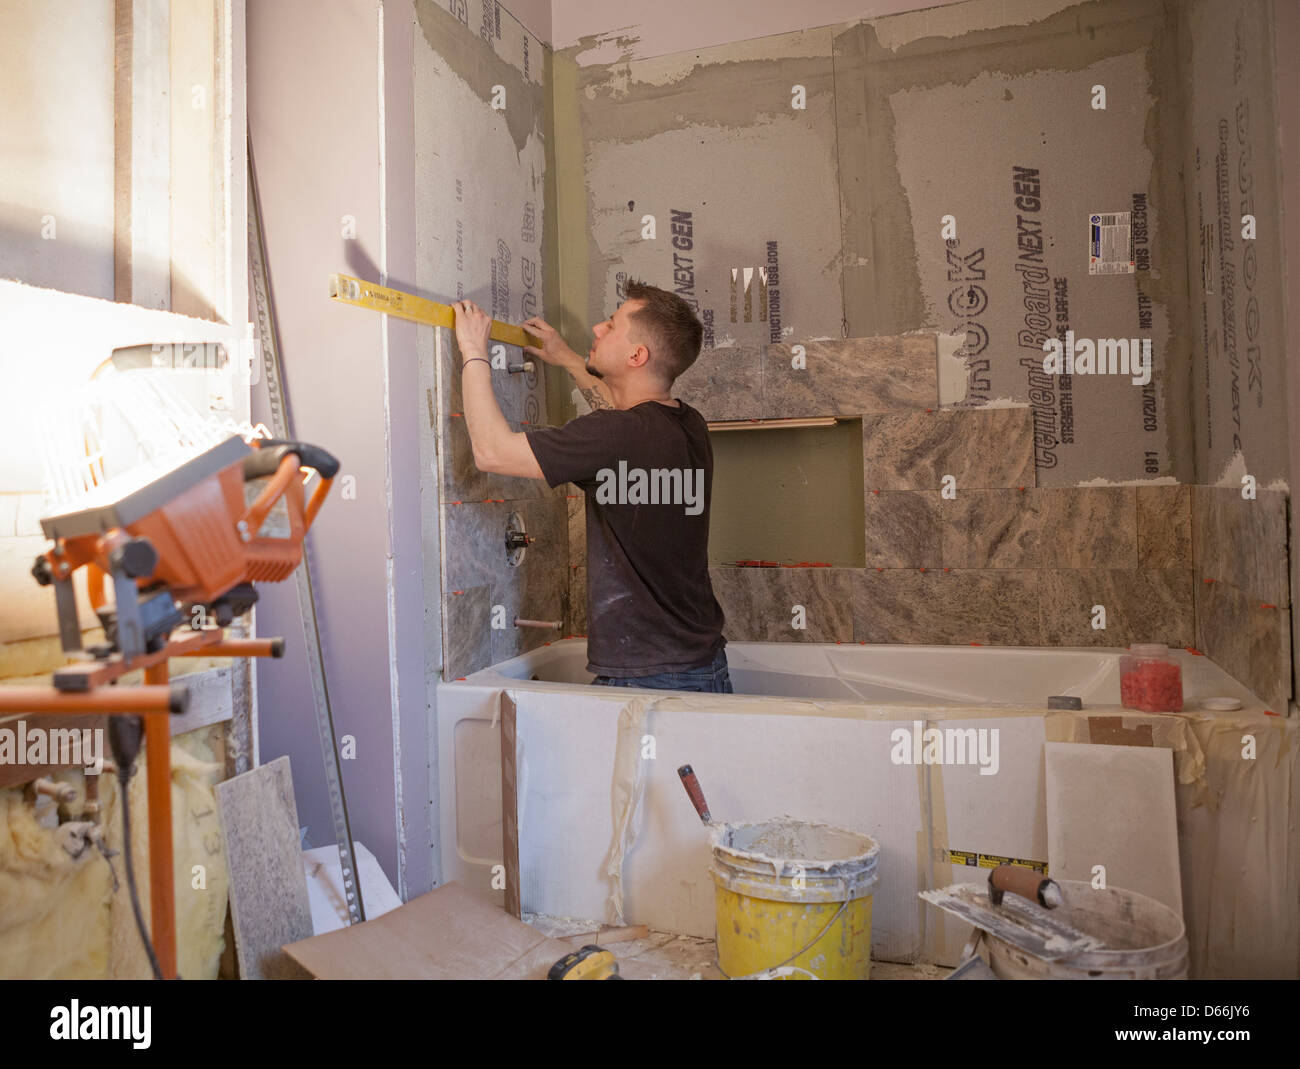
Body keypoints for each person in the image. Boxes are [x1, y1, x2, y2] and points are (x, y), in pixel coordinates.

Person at [452, 279, 731, 693]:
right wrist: (566, 357)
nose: (599, 328)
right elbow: (621, 406)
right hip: (700, 663)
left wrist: (474, 352)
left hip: (649, 678)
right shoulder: (687, 425)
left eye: (613, 326)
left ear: (637, 355)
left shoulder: (615, 435)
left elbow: (492, 452)